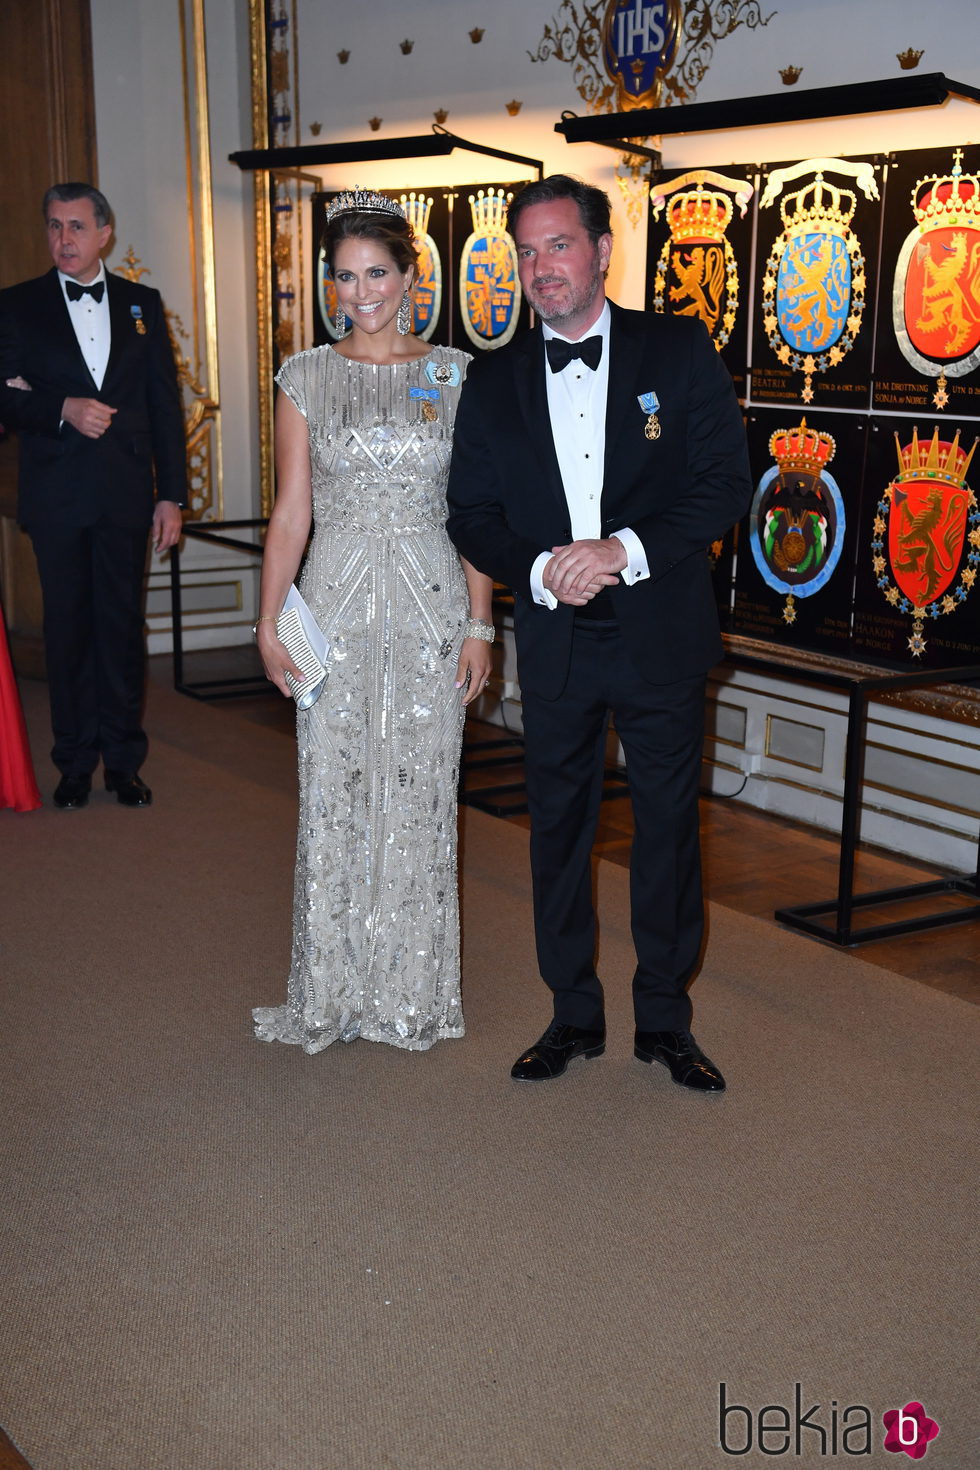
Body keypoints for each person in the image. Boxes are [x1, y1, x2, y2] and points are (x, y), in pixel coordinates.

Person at [446, 175, 752, 1091]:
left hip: (659, 631)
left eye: (560, 246)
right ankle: (571, 1015)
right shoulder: (491, 376)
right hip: (557, 640)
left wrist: (621, 550)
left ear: (602, 251)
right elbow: (470, 512)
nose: (542, 268)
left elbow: (723, 484)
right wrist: (541, 569)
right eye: (527, 252)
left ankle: (665, 1020)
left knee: (666, 830)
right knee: (559, 832)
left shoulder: (677, 346)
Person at [252, 190, 493, 1055]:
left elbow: (474, 513)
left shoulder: (453, 374)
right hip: (336, 603)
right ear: (330, 280)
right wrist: (270, 618)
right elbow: (290, 513)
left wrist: (479, 624)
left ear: (409, 276)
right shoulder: (305, 376)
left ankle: (411, 993)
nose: (361, 292)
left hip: (431, 596)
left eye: (377, 273)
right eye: (345, 276)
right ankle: (335, 988)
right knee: (337, 788)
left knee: (423, 788)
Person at [0, 183, 186, 809]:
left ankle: (123, 762)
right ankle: (74, 762)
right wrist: (59, 407)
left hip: (126, 494)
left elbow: (164, 406)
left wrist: (172, 497)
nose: (64, 241)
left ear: (104, 232)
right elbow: (3, 397)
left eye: (76, 227)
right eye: (54, 227)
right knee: (67, 630)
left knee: (121, 627)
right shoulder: (18, 305)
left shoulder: (142, 304)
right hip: (56, 494)